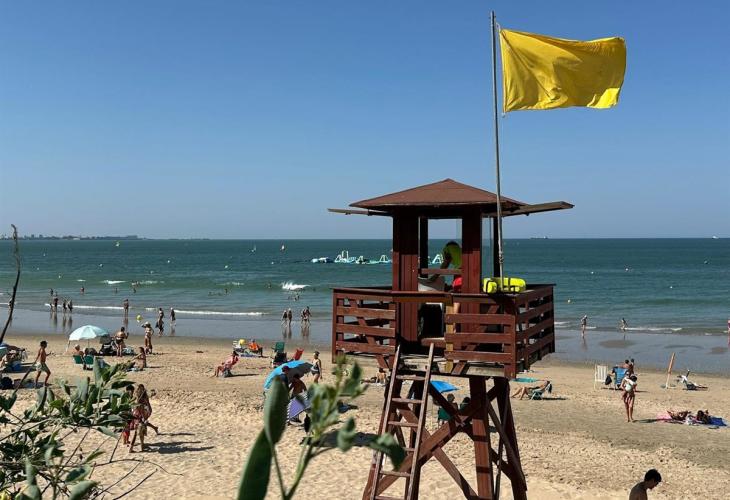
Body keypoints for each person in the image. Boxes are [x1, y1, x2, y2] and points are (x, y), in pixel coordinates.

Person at [128, 384, 159, 452]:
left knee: (140, 431)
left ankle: (140, 446)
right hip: (139, 415)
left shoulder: (142, 397)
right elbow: (137, 406)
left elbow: (147, 402)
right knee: (138, 431)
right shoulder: (138, 397)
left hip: (138, 415)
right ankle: (134, 447)